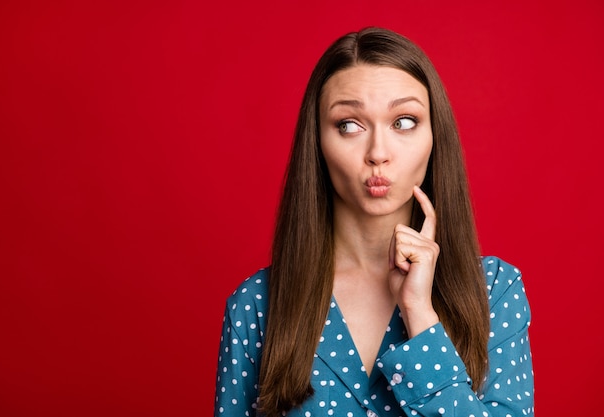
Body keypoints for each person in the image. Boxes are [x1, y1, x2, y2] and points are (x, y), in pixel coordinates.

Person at [214, 27, 534, 417]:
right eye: (349, 125)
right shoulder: (257, 305)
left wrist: (419, 312)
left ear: (436, 136)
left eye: (403, 122)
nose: (378, 153)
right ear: (317, 142)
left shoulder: (494, 292)